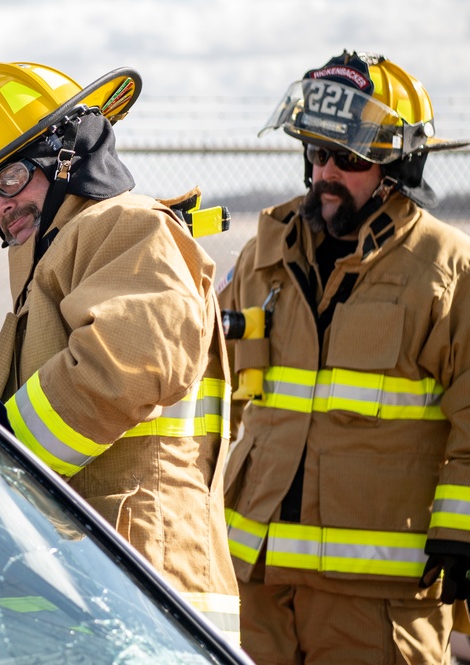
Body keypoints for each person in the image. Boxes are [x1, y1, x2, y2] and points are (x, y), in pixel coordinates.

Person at [0, 62, 240, 643]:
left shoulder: (128, 226)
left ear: (70, 152)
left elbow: (124, 367)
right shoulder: (53, 254)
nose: (1, 207)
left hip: (146, 592)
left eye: (8, 179)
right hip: (89, 587)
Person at [219, 50, 470, 664]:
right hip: (257, 586)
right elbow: (211, 391)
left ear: (396, 166)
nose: (325, 173)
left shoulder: (444, 271)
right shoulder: (263, 258)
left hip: (376, 600)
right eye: (315, 152)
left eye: (348, 158)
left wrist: (462, 532)